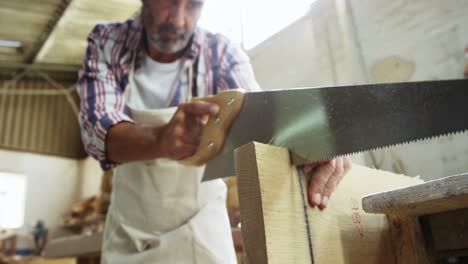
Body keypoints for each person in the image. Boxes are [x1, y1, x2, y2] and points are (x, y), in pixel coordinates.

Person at [77, 0, 351, 263]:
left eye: (194, 4)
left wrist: (312, 140)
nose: (178, 19)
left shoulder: (221, 53)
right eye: (169, 2)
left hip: (203, 228)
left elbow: (261, 123)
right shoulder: (108, 42)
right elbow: (96, 131)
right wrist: (160, 138)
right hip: (131, 231)